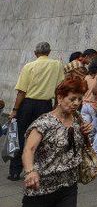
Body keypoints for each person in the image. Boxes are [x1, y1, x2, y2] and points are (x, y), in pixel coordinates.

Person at [21, 76, 93, 207]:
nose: (77, 103)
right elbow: (29, 149)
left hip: (68, 187)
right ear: (60, 98)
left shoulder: (77, 119)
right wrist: (29, 171)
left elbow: (78, 147)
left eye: (80, 99)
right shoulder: (44, 122)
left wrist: (85, 133)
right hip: (40, 188)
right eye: (72, 99)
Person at [9, 42, 65, 181]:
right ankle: (38, 169)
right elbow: (60, 89)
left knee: (21, 136)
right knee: (42, 138)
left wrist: (15, 110)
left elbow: (21, 91)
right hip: (45, 105)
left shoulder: (29, 66)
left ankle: (15, 171)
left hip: (27, 104)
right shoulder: (57, 65)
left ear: (35, 53)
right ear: (49, 52)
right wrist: (56, 107)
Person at [81, 60, 97, 150]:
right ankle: (94, 150)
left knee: (86, 129)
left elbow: (83, 90)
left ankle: (86, 148)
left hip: (85, 105)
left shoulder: (86, 77)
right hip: (95, 106)